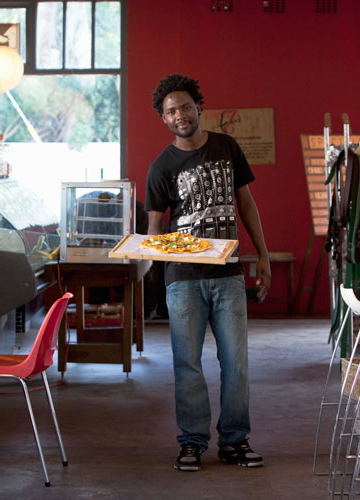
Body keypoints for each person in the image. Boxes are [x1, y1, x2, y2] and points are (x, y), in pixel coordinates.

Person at [145, 74, 271, 472]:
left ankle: (235, 440)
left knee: (236, 362)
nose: (179, 115)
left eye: (184, 107)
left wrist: (262, 254)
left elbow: (245, 203)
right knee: (187, 363)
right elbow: (153, 231)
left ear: (199, 106)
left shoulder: (226, 147)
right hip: (182, 279)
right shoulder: (160, 167)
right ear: (163, 120)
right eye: (170, 111)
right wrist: (150, 256)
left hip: (228, 275)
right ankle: (192, 442)